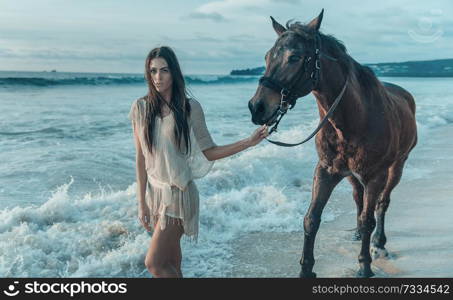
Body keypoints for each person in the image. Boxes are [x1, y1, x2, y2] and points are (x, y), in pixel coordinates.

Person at [128, 46, 269, 278]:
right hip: (155, 194)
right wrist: (141, 202)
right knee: (172, 264)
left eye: (164, 70)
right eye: (152, 71)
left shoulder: (190, 108)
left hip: (179, 195)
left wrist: (248, 142)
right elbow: (141, 157)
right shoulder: (140, 108)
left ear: (174, 73)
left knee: (154, 263)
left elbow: (209, 151)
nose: (157, 77)